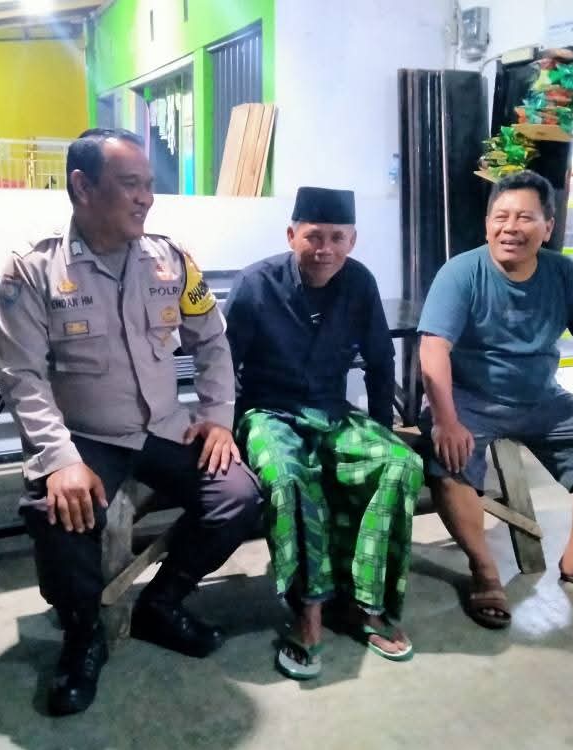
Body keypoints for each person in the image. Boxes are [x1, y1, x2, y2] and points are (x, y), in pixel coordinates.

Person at [0, 129, 262, 715]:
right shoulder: (34, 269)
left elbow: (212, 342)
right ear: (83, 187)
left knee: (238, 497)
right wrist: (59, 460)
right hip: (87, 437)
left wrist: (217, 418)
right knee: (57, 513)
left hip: (165, 427)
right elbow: (21, 375)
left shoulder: (171, 261)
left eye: (149, 185)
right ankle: (82, 634)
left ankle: (161, 603)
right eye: (130, 184)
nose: (146, 198)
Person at [417, 170, 573, 629]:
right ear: (487, 223)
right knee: (448, 460)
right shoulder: (461, 273)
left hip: (542, 398)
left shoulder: (564, 274)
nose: (511, 227)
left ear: (548, 227)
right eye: (500, 216)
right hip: (470, 399)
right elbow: (433, 349)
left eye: (525, 217)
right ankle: (484, 569)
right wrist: (446, 419)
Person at [224, 187, 423, 680]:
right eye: (314, 236)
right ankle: (308, 611)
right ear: (292, 235)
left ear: (352, 240)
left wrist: (383, 429)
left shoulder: (359, 283)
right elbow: (222, 367)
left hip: (332, 412)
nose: (324, 249)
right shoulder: (255, 284)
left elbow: (380, 360)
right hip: (267, 413)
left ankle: (365, 603)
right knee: (289, 476)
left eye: (337, 238)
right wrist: (225, 430)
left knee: (400, 463)